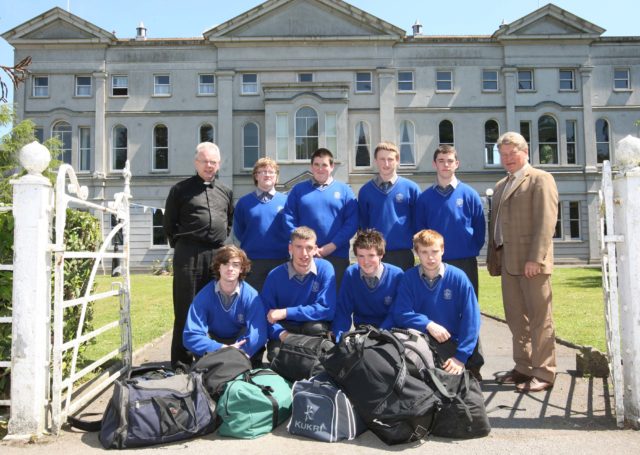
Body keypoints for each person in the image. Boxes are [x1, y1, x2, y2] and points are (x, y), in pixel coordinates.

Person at [487, 131, 558, 393]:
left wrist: (535, 259)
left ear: (525, 152)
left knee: (540, 319)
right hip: (508, 262)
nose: (507, 159)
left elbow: (546, 222)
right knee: (516, 318)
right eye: (503, 155)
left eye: (511, 154)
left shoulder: (540, 179)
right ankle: (524, 367)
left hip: (532, 264)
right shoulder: (500, 185)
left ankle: (545, 372)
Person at [163, 142, 233, 370]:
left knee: (213, 308)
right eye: (205, 161)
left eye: (213, 162)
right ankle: (181, 364)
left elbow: (228, 222)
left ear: (219, 164)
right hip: (189, 254)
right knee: (185, 308)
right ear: (196, 163)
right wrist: (183, 245)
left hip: (216, 255)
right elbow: (169, 224)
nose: (209, 166)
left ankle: (208, 360)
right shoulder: (180, 190)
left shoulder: (225, 191)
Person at [392, 229, 482, 376]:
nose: (430, 257)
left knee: (451, 384)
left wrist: (460, 357)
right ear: (416, 253)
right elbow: (400, 313)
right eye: (424, 252)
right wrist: (428, 324)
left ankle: (472, 369)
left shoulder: (458, 277)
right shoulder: (408, 278)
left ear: (443, 250)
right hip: (421, 342)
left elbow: (471, 318)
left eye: (434, 251)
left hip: (452, 342)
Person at [415, 144, 485, 296]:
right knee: (437, 305)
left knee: (467, 303)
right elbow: (420, 231)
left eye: (450, 161)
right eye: (441, 161)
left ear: (456, 164)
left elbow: (480, 228)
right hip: (434, 262)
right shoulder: (424, 198)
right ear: (435, 164)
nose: (446, 164)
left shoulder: (470, 194)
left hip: (465, 260)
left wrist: (469, 248)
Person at [282, 148, 357, 290]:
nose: (320, 169)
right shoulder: (298, 190)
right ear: (311, 167)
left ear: (332, 167)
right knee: (304, 297)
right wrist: (304, 246)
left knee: (335, 298)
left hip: (337, 255)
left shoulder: (345, 191)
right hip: (304, 256)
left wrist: (331, 246)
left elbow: (351, 223)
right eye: (316, 165)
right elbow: (288, 218)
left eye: (324, 165)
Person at [183, 246, 267, 367]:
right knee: (202, 337)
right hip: (214, 345)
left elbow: (259, 333)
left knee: (251, 334)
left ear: (242, 269)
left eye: (236, 264)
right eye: (225, 263)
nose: (230, 268)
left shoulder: (252, 296)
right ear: (218, 267)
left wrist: (237, 351)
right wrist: (221, 348)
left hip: (240, 346)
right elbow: (190, 335)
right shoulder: (203, 297)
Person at [261, 226, 336, 361]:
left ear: (315, 249)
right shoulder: (275, 275)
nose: (304, 253)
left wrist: (286, 312)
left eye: (308, 247)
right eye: (298, 247)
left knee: (318, 339)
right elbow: (266, 315)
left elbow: (327, 309)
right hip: (286, 329)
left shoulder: (325, 268)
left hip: (311, 327)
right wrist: (282, 334)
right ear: (290, 248)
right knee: (276, 357)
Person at [331, 229, 404, 342]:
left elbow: (396, 313)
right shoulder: (351, 273)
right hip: (362, 331)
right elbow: (343, 310)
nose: (366, 261)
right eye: (361, 256)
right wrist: (339, 338)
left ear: (381, 255)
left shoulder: (397, 275)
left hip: (389, 332)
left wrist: (378, 336)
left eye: (371, 255)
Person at [357, 142, 420, 271]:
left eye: (390, 159)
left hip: (403, 254)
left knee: (403, 291)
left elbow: (419, 221)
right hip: (375, 254)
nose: (386, 163)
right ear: (375, 161)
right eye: (382, 159)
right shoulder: (365, 191)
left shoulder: (411, 188)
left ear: (397, 160)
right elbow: (363, 225)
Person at [233, 158, 289, 292]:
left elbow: (291, 229)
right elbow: (239, 231)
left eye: (271, 172)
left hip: (280, 261)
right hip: (252, 262)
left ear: (276, 177)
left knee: (278, 301)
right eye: (263, 171)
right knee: (254, 303)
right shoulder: (244, 202)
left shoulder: (287, 201)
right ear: (256, 176)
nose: (267, 174)